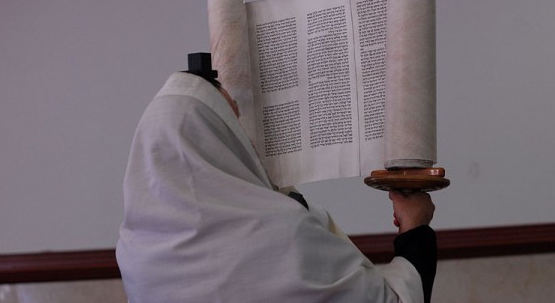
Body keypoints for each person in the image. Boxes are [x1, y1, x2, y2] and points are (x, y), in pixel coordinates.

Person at [116, 53, 437, 303]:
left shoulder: (136, 249)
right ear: (218, 139)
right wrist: (415, 229)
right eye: (232, 122)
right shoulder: (281, 232)